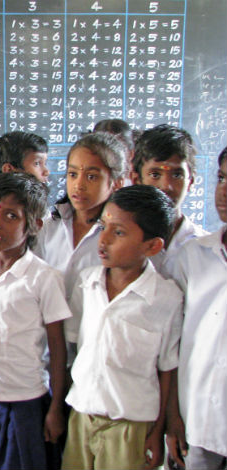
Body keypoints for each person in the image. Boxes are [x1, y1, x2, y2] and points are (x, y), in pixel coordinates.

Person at [62, 185, 182, 470]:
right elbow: (75, 345)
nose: (103, 240)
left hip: (130, 425)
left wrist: (157, 430)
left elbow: (167, 369)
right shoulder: (87, 282)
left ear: (152, 246)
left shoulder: (165, 297)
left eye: (118, 232)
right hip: (82, 414)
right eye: (102, 226)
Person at [0, 173, 70, 470]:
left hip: (22, 400)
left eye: (11, 216)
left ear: (34, 225)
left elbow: (58, 351)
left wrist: (56, 408)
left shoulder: (44, 279)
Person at [166, 147, 227, 469]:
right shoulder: (194, 255)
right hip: (198, 422)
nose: (224, 190)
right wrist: (173, 417)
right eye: (222, 177)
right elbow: (174, 343)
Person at [34, 132, 125, 297]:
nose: (79, 185)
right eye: (73, 174)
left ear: (116, 183)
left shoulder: (120, 237)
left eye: (91, 177)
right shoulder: (49, 227)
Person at [130, 124, 206, 278]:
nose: (166, 186)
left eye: (177, 175)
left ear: (191, 181)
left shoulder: (206, 248)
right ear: (136, 179)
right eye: (155, 174)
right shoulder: (123, 243)